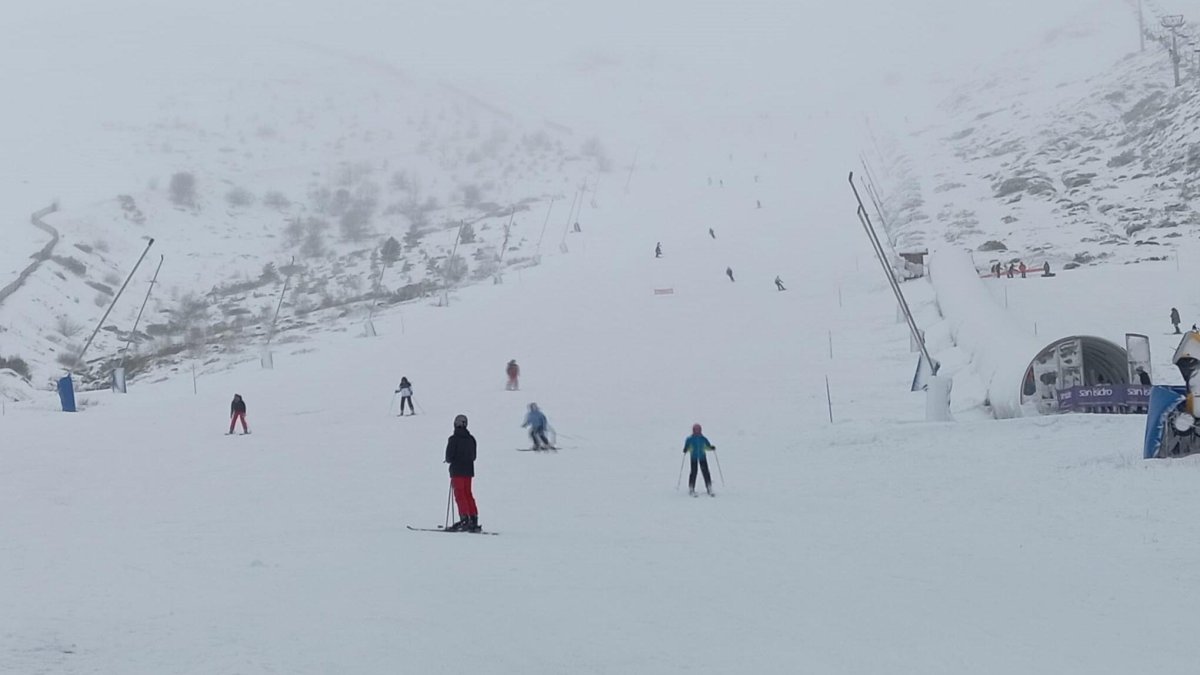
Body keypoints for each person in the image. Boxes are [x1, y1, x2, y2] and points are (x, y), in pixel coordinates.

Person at [445, 414, 480, 532]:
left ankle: (464, 518)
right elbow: (474, 456)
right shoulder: (471, 439)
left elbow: (449, 457)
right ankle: (473, 518)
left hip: (457, 470)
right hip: (469, 470)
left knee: (460, 494)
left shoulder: (453, 439)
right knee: (468, 493)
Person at [682, 423, 716, 496]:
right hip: (694, 457)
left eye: (698, 430)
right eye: (695, 430)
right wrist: (685, 449)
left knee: (706, 472)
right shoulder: (690, 439)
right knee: (693, 472)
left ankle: (709, 487)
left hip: (702, 457)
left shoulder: (703, 439)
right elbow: (688, 447)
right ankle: (691, 487)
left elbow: (707, 447)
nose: (697, 431)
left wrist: (711, 448)